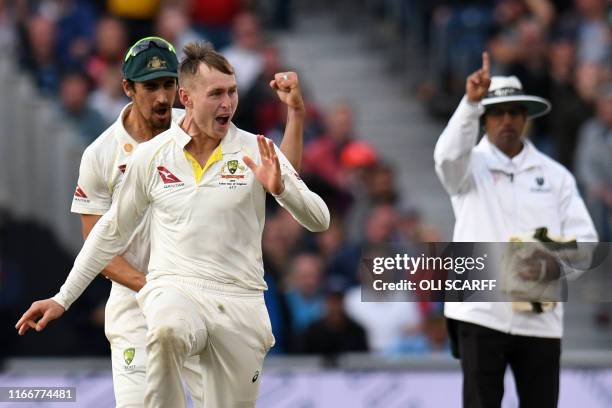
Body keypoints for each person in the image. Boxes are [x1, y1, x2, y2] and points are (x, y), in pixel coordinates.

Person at [16, 41, 329, 408]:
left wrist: (282, 184)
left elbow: (312, 211)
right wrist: (64, 297)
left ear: (181, 95)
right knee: (167, 327)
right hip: (161, 295)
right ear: (129, 89)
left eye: (232, 92)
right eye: (151, 86)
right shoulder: (123, 155)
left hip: (237, 304)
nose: (162, 98)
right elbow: (104, 234)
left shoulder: (245, 145)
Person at [434, 51, 597, 407]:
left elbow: (587, 243)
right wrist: (468, 103)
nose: (506, 120)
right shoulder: (466, 168)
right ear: (484, 119)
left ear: (525, 118)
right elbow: (445, 158)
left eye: (514, 113)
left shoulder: (556, 177)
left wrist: (551, 265)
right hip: (479, 309)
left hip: (540, 316)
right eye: (497, 113)